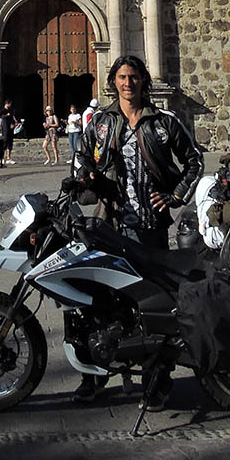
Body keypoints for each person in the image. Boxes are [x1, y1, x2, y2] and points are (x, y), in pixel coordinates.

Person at [71, 54, 204, 407]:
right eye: (121, 77)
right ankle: (93, 375)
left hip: (150, 227)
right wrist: (84, 175)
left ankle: (156, 382)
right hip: (109, 224)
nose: (128, 83)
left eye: (134, 77)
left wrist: (175, 196)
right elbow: (82, 157)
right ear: (112, 81)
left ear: (144, 81)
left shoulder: (163, 122)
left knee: (154, 307)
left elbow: (195, 160)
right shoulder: (99, 123)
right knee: (93, 301)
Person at [1, 99, 17, 164]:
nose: (10, 105)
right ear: (7, 104)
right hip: (5, 129)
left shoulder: (10, 111)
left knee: (10, 144)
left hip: (10, 130)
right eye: (10, 104)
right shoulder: (2, 111)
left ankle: (8, 158)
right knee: (4, 144)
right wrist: (6, 115)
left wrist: (13, 124)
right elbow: (0, 116)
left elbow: (13, 119)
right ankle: (2, 158)